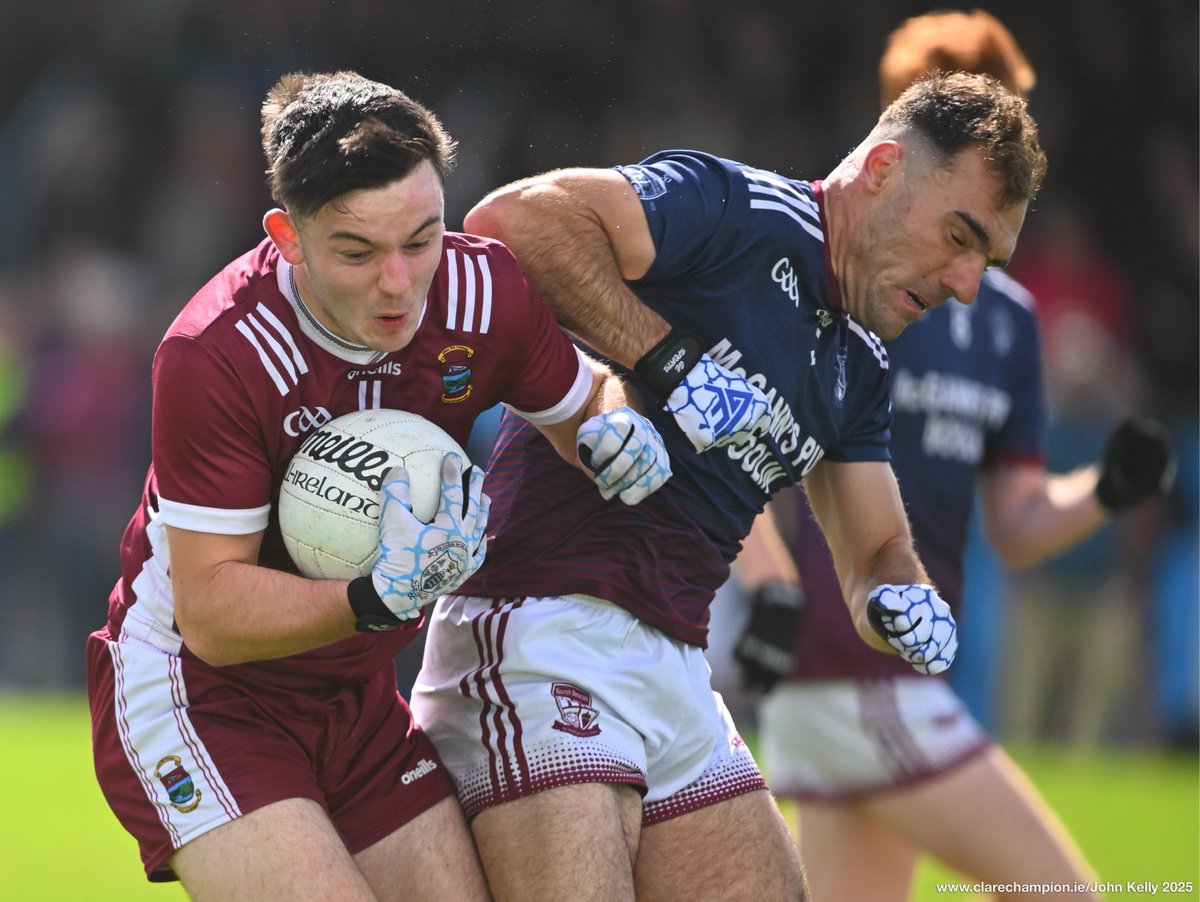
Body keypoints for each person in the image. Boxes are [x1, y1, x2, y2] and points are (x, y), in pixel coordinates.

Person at [410, 69, 1047, 901]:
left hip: (676, 668)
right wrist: (662, 355)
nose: (966, 285)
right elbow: (510, 219)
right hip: (539, 633)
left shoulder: (862, 363)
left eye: (988, 260)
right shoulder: (737, 208)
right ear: (884, 168)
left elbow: (877, 549)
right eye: (960, 238)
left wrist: (900, 596)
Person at [86, 69, 672, 899]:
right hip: (200, 696)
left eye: (421, 240)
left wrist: (614, 431)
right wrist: (375, 597)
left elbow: (583, 401)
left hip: (355, 699)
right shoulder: (216, 352)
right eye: (357, 251)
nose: (399, 284)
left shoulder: (482, 290)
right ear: (288, 237)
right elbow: (210, 613)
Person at [730, 11, 1177, 902]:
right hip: (844, 678)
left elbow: (1012, 525)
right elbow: (737, 447)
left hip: (889, 684)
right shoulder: (838, 278)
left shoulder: (1005, 322)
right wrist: (769, 588)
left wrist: (1107, 489)